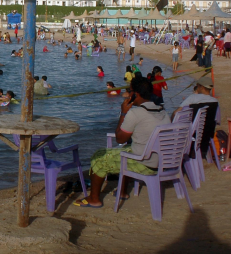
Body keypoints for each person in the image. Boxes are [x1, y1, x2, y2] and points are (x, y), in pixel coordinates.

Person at [73, 77, 170, 208]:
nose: (129, 94)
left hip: (144, 163)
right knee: (127, 149)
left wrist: (124, 113)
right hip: (160, 161)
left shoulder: (136, 113)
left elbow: (119, 139)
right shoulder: (162, 111)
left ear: (135, 94)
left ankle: (94, 198)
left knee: (99, 157)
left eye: (130, 91)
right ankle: (123, 191)